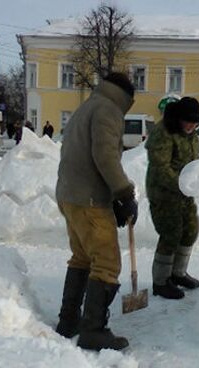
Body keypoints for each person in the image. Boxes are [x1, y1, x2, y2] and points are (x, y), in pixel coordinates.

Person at [54, 72, 137, 351]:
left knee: (81, 257)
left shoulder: (89, 105)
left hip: (70, 195)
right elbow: (105, 155)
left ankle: (68, 321)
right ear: (126, 97)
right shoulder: (108, 110)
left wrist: (112, 194)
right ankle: (93, 329)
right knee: (107, 262)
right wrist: (124, 193)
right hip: (88, 199)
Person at [145, 97, 199, 299]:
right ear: (179, 118)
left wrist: (198, 179)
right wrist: (183, 184)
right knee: (171, 233)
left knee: (191, 230)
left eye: (195, 124)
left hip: (183, 193)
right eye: (189, 122)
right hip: (163, 192)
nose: (192, 126)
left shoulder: (191, 135)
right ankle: (160, 282)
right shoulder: (163, 133)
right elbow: (161, 168)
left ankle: (177, 273)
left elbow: (194, 162)